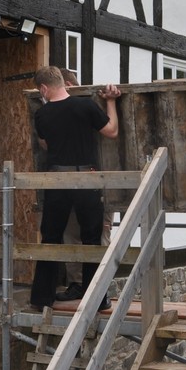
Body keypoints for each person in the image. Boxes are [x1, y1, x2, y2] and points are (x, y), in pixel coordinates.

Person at [28, 65, 121, 311]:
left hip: (57, 179)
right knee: (91, 238)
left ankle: (41, 298)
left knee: (51, 237)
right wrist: (110, 101)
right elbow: (111, 131)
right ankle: (97, 299)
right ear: (64, 82)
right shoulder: (85, 105)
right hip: (86, 178)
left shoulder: (42, 114)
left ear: (44, 88)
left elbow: (46, 144)